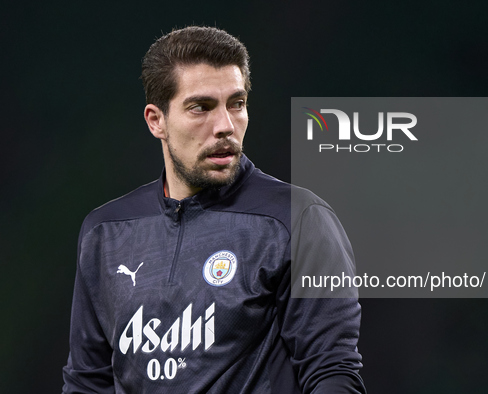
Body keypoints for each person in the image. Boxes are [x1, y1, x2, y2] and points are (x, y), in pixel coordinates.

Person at [62, 26, 365, 394]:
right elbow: (87, 383)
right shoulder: (105, 232)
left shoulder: (296, 219)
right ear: (156, 120)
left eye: (236, 104)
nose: (225, 126)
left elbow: (332, 373)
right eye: (201, 107)